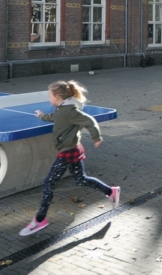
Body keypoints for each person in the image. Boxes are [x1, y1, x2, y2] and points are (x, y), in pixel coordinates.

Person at [20, 80, 120, 236]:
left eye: (50, 96)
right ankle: (110, 191)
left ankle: (40, 220)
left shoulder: (70, 110)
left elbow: (89, 121)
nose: (49, 99)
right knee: (81, 179)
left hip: (68, 151)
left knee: (49, 182)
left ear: (58, 97)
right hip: (72, 148)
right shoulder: (63, 108)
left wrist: (96, 137)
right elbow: (57, 118)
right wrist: (42, 116)